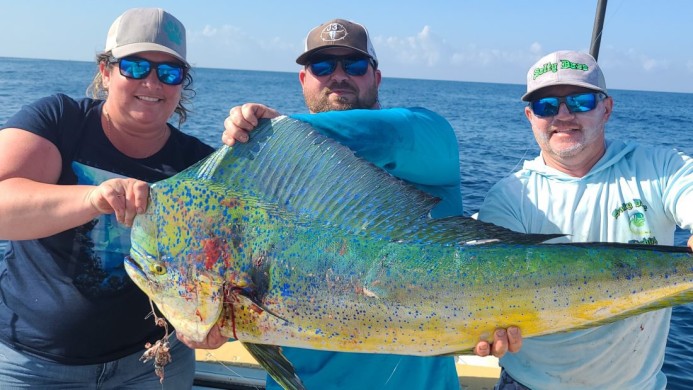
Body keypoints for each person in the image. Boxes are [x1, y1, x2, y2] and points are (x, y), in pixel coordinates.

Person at [211, 18, 521, 389]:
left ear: (377, 77)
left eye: (354, 65)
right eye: (322, 66)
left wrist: (284, 135)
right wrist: (210, 326)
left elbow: (395, 134)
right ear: (303, 80)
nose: (338, 76)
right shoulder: (266, 182)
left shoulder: (426, 139)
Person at [0, 8, 214, 389]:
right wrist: (94, 199)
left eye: (169, 72)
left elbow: (217, 269)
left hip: (155, 365)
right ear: (106, 70)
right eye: (135, 66)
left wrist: (216, 325)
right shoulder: (60, 120)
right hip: (32, 366)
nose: (152, 82)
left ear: (182, 83)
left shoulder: (199, 165)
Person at [477, 50, 693, 389]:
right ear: (530, 116)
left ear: (606, 108)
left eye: (579, 101)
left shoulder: (660, 169)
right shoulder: (509, 197)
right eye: (547, 106)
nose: (563, 115)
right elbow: (485, 288)